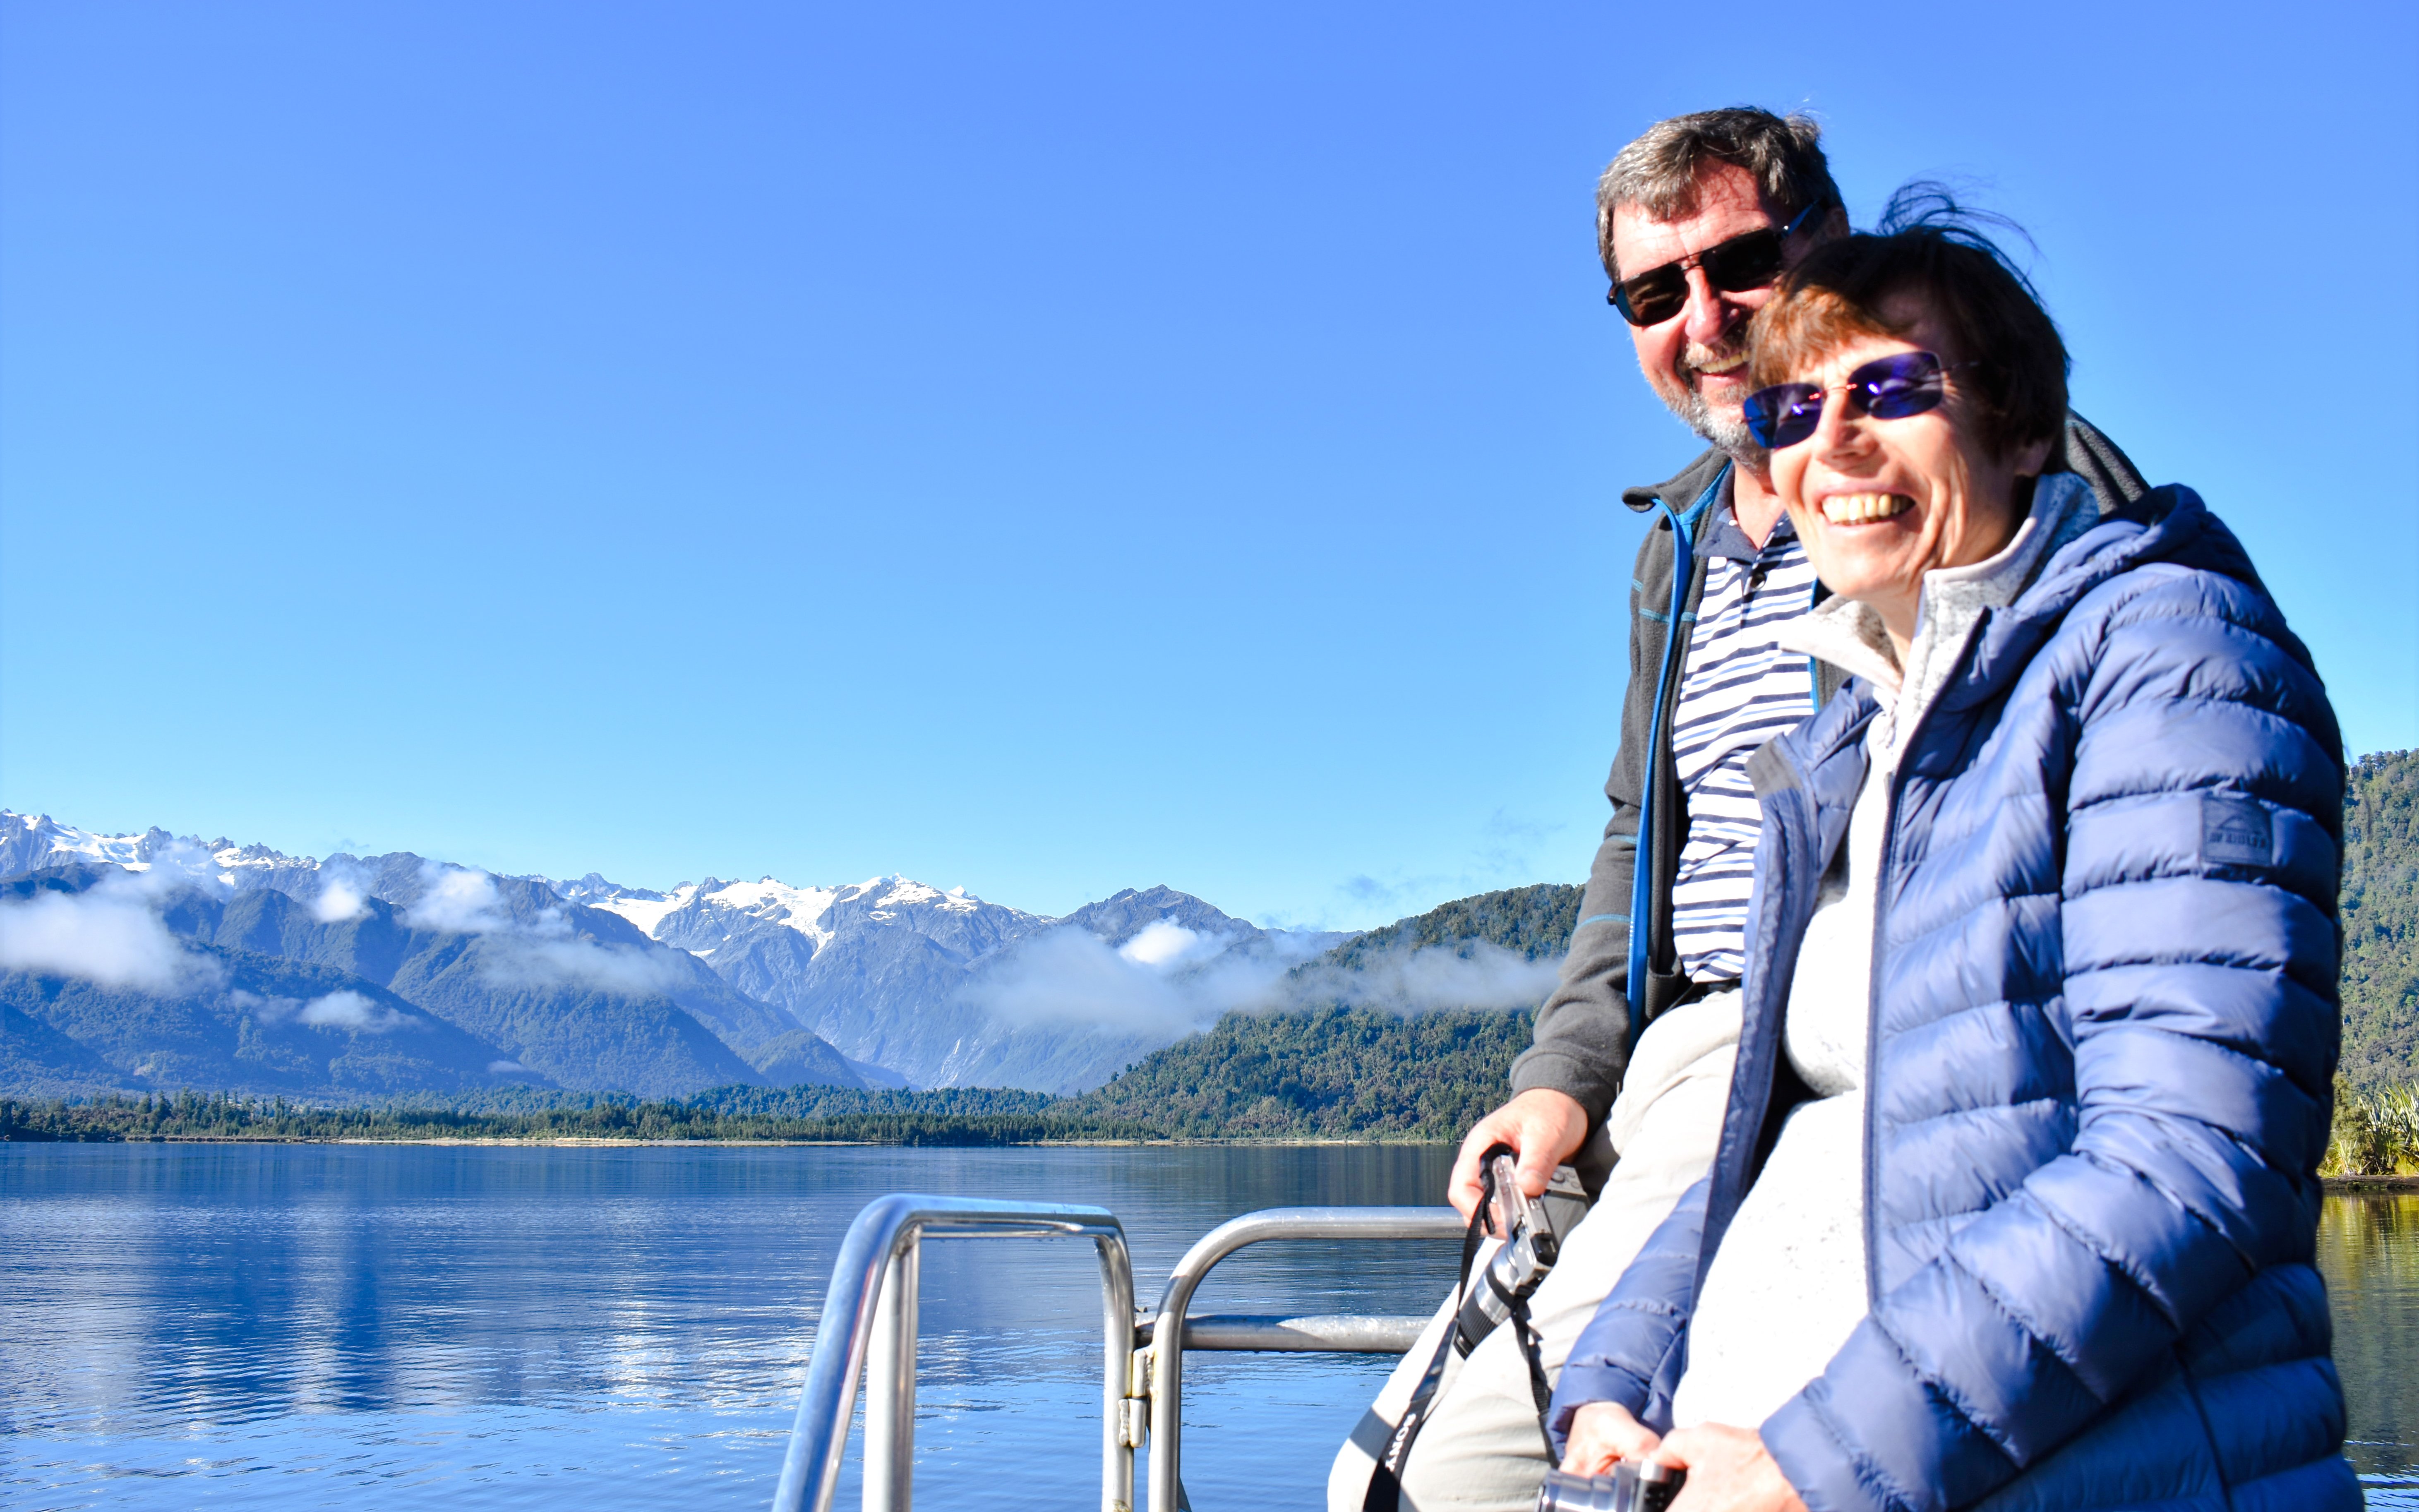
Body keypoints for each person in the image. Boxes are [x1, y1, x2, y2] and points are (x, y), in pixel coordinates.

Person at [1329, 114, 2145, 1512]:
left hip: (1849, 1060)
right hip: (1678, 1064)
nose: (1702, 320)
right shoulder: (1683, 545)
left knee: (1473, 1494)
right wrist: (1562, 1080)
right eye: (1656, 295)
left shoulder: (1997, 471)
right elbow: (1639, 842)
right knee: (1385, 1479)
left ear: (1828, 243)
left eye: (1740, 263)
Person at [1548, 192, 2356, 1511]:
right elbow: (1767, 1141)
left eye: (1892, 387)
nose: (1835, 443)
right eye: (1792, 413)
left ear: (2027, 428)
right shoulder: (1851, 751)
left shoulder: (2168, 655)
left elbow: (2189, 1161)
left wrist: (1817, 1463)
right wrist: (1612, 1389)